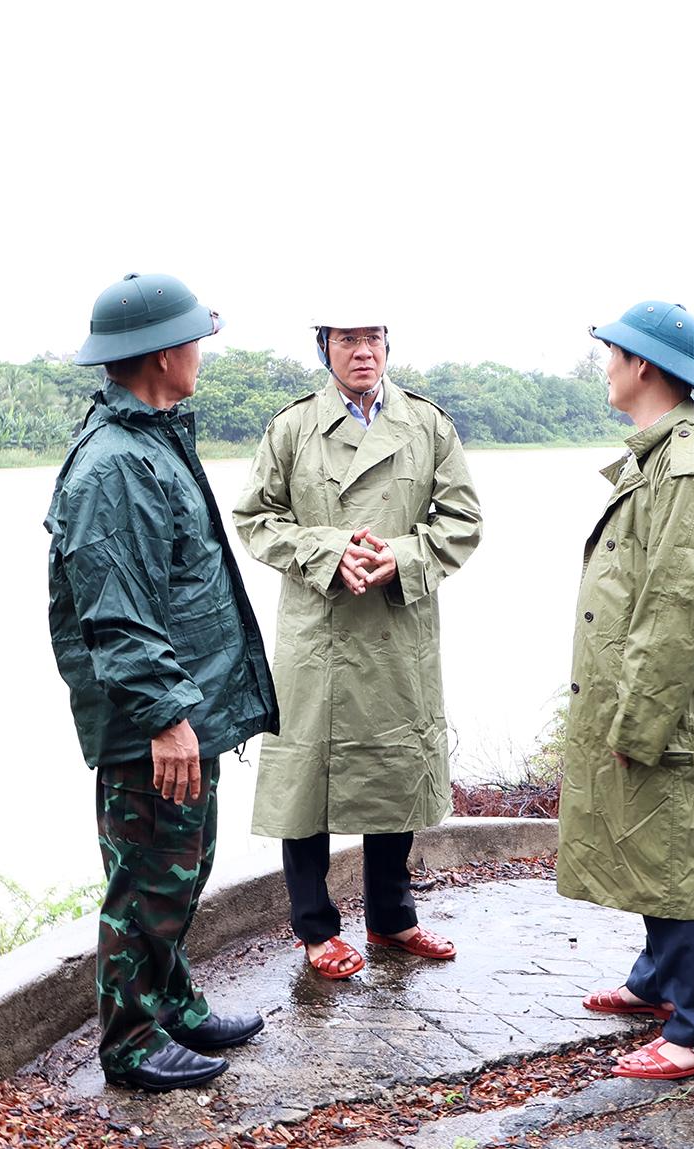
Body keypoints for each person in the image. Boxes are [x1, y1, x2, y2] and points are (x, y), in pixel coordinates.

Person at [45, 273, 279, 1091]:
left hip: (183, 711)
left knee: (181, 866)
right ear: (162, 354)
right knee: (147, 877)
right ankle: (133, 1041)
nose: (201, 353)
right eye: (194, 339)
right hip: (154, 723)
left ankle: (172, 1000)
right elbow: (118, 611)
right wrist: (166, 717)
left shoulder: (152, 439)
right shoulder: (114, 465)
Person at [234, 313, 482, 979]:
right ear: (324, 348)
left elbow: (463, 522)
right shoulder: (292, 427)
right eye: (347, 339)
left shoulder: (427, 424)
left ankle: (392, 917)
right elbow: (255, 519)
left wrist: (399, 556)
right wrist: (328, 548)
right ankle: (315, 927)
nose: (363, 351)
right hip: (318, 629)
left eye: (373, 337)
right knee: (304, 777)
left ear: (388, 344)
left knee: (393, 766)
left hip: (397, 626)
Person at [557, 301, 694, 1082]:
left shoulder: (691, 469)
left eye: (613, 353)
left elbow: (671, 612)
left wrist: (637, 723)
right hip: (646, 700)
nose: (605, 366)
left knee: (679, 853)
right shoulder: (660, 456)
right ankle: (659, 980)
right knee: (653, 841)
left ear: (645, 367)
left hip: (670, 709)